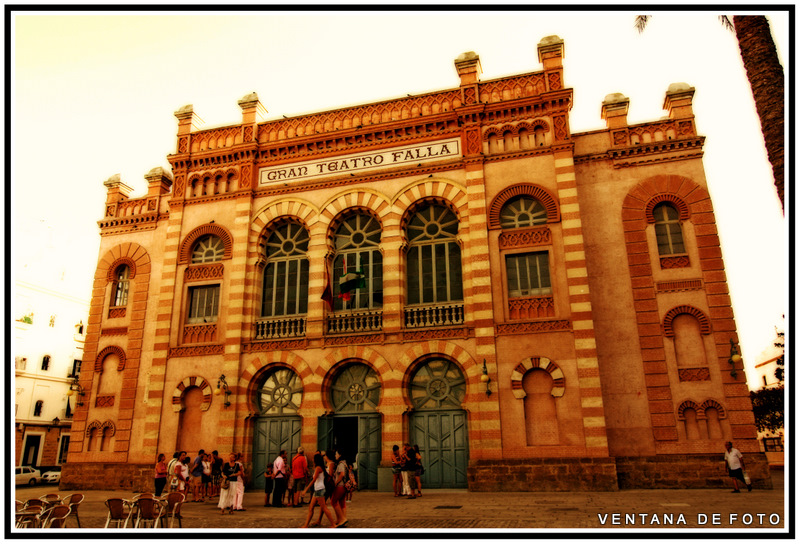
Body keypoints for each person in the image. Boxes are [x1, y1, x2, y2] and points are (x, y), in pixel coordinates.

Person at [300, 453, 336, 529]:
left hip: (319, 490)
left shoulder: (318, 468)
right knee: (311, 507)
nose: (312, 460)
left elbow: (314, 480)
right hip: (317, 490)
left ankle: (333, 524)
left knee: (324, 508)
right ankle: (306, 525)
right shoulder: (319, 468)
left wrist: (306, 489)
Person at [330, 450, 349, 527]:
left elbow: (342, 474)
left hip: (340, 486)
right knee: (342, 503)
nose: (335, 455)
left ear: (340, 455)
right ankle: (342, 520)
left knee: (333, 501)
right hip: (344, 486)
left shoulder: (341, 464)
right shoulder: (344, 463)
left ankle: (342, 519)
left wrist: (336, 482)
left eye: (336, 454)